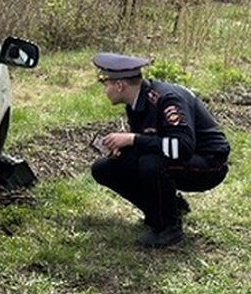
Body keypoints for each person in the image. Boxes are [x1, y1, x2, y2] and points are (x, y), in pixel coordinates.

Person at [89, 52, 230, 248]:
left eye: (105, 84)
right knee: (104, 168)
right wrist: (126, 148)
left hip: (209, 163)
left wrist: (133, 140)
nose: (104, 90)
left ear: (120, 85)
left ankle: (169, 229)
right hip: (179, 158)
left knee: (151, 164)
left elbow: (181, 148)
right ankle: (167, 208)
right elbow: (152, 141)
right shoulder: (137, 101)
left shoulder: (167, 100)